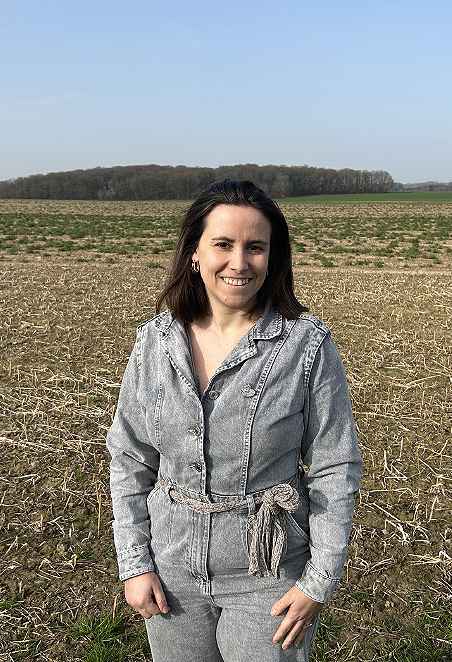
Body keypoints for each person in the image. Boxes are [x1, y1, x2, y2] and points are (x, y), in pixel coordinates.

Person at [106, 180, 362, 661]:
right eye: (223, 244)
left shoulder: (306, 347)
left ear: (273, 257)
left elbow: (335, 466)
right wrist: (135, 563)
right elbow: (130, 457)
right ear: (194, 253)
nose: (239, 262)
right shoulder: (155, 343)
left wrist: (319, 580)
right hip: (171, 570)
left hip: (267, 570)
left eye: (255, 247)